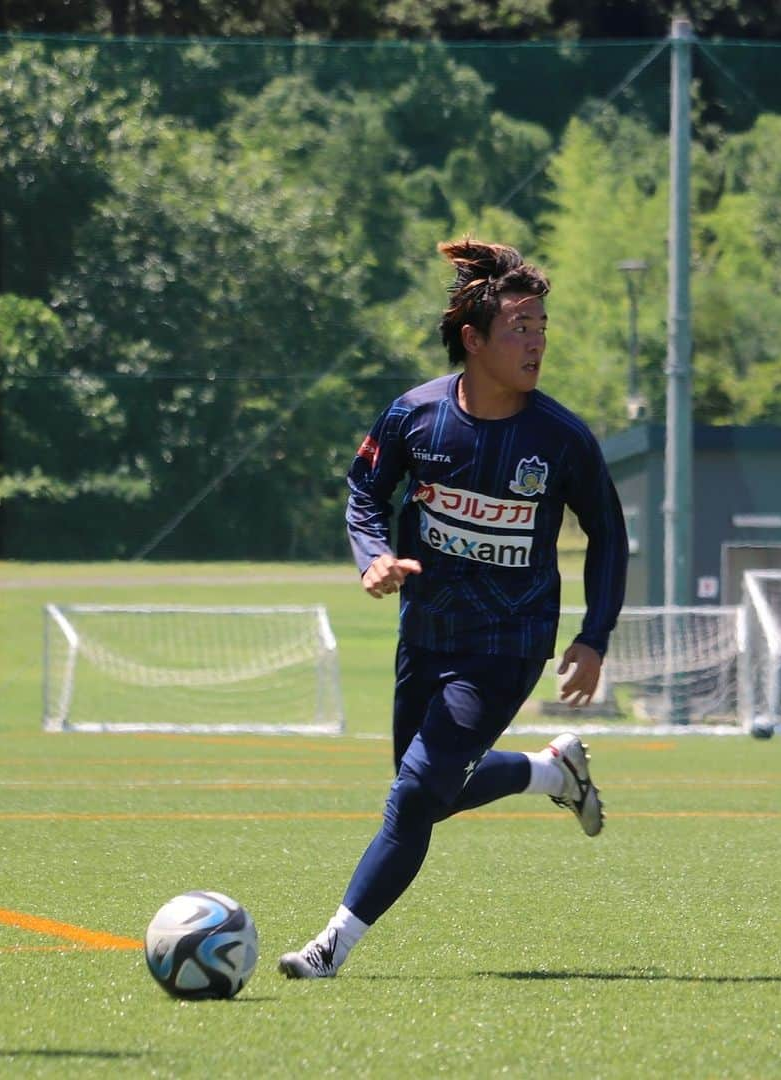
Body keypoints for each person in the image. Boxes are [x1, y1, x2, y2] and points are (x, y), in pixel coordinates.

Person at [279, 237, 628, 979]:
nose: (535, 342)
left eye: (541, 328)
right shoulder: (416, 417)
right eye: (518, 328)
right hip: (427, 631)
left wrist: (593, 636)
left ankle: (329, 948)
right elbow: (365, 493)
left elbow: (609, 536)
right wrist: (372, 555)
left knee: (413, 797)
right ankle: (550, 774)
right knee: (430, 790)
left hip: (509, 640)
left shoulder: (560, 439)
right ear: (473, 340)